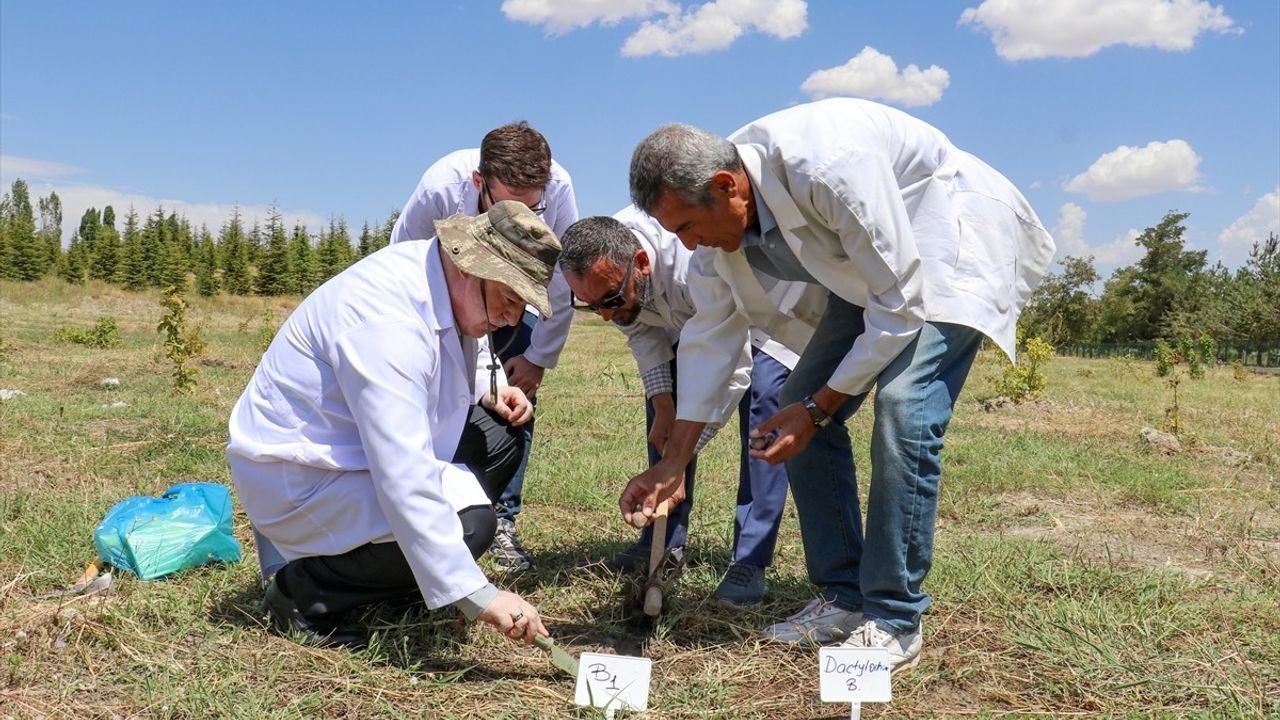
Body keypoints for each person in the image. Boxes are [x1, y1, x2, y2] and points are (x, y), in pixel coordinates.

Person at [620, 98, 1055, 671]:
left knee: (904, 409)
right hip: (872, 273)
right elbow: (711, 343)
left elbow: (900, 309)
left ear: (727, 186)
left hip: (948, 242)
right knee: (791, 404)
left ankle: (896, 618)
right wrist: (673, 462)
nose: (689, 245)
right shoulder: (718, 225)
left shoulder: (826, 165)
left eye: (688, 227)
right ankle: (844, 597)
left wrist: (820, 408)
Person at [227, 200, 561, 649]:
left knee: (499, 437)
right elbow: (402, 472)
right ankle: (301, 590)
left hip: (351, 455)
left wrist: (491, 385)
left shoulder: (439, 276)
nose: (513, 319)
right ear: (470, 268)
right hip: (302, 477)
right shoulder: (386, 324)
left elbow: (472, 344)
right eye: (509, 299)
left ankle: (395, 575)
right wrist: (479, 595)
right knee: (471, 526)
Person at [559, 208, 826, 606]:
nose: (605, 315)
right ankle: (664, 541)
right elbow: (641, 332)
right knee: (663, 417)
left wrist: (679, 458)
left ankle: (749, 559)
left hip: (765, 320)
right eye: (591, 305)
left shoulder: (692, 265)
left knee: (764, 407)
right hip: (693, 321)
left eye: (610, 300)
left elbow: (729, 370)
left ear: (642, 264)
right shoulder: (608, 269)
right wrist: (664, 406)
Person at [390, 121, 580, 573]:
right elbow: (403, 260)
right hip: (446, 301)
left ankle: (501, 517)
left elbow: (561, 277)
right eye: (510, 204)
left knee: (511, 400)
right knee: (437, 392)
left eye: (533, 206)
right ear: (479, 183)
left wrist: (538, 360)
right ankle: (430, 497)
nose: (525, 215)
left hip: (518, 298)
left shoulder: (560, 188)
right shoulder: (441, 185)